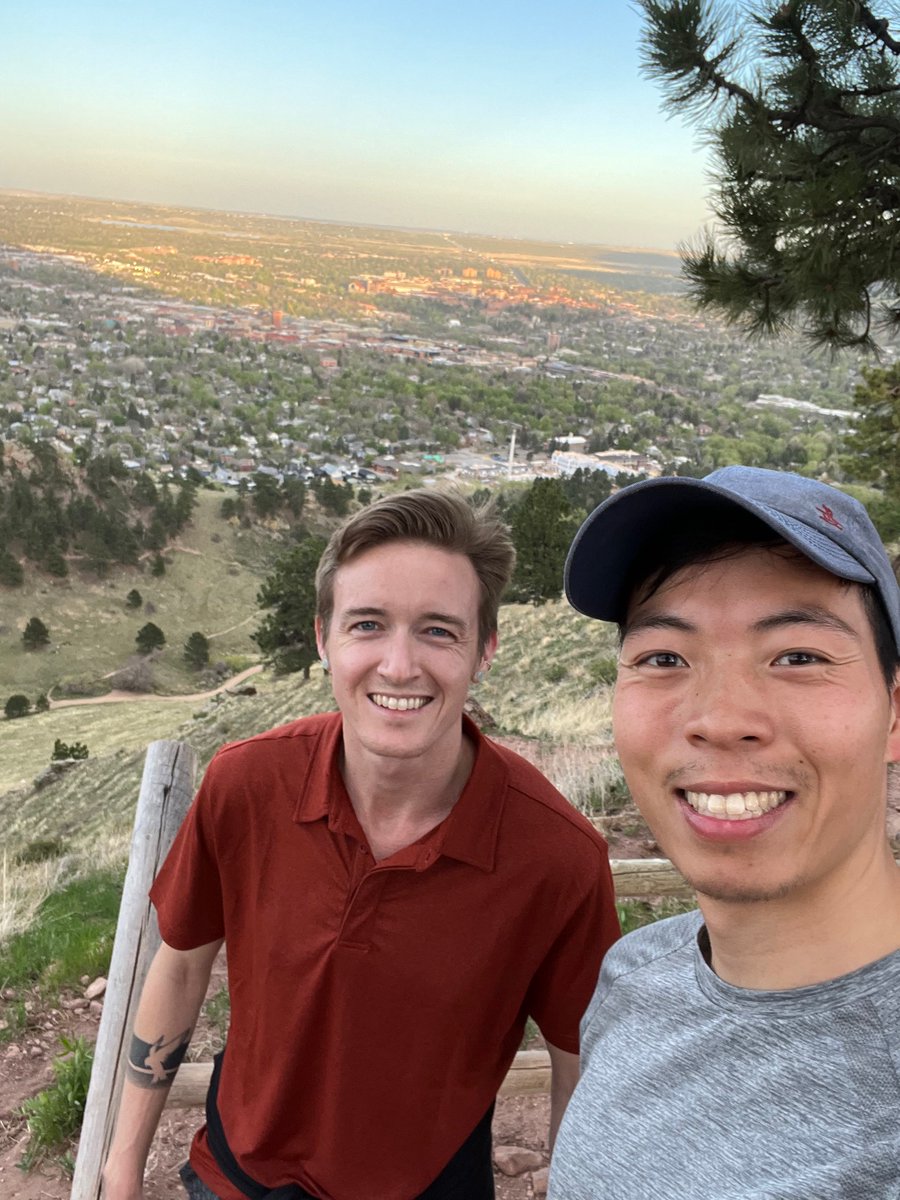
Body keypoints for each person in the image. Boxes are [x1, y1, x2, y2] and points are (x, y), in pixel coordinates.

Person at [102, 487, 620, 1200]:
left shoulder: (558, 857)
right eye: (368, 624)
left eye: (439, 630)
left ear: (485, 650)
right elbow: (183, 966)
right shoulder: (246, 783)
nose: (400, 665)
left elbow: (575, 1062)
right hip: (235, 1178)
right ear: (324, 639)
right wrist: (123, 1165)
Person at [549, 466, 900, 1200]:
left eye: (798, 657)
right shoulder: (638, 972)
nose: (719, 716)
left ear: (894, 714)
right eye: (664, 658)